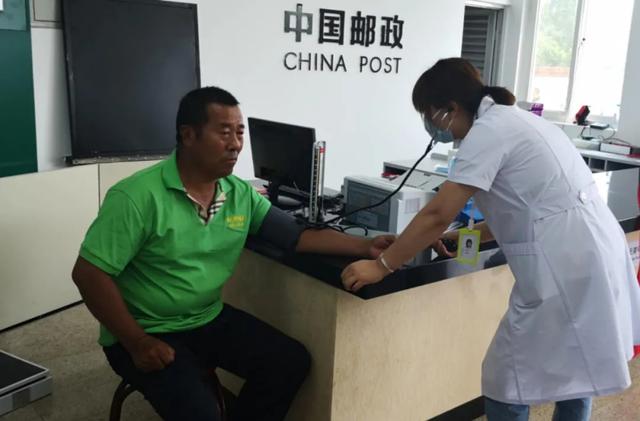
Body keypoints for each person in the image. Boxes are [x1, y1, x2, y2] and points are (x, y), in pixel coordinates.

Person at [341, 58, 640, 421]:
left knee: (505, 383)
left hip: (565, 265)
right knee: (576, 375)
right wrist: (460, 236)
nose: (431, 125)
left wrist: (381, 266)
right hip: (590, 252)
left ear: (451, 108)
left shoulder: (488, 133)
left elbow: (437, 213)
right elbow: (518, 210)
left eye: (430, 114)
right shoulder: (515, 120)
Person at [71, 86, 395, 421]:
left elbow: (296, 236)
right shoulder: (136, 196)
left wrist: (364, 246)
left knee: (288, 362)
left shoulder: (239, 193)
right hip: (144, 330)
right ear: (188, 135)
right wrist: (136, 342)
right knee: (202, 413)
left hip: (205, 319)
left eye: (240, 133)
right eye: (224, 132)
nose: (236, 144)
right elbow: (89, 274)